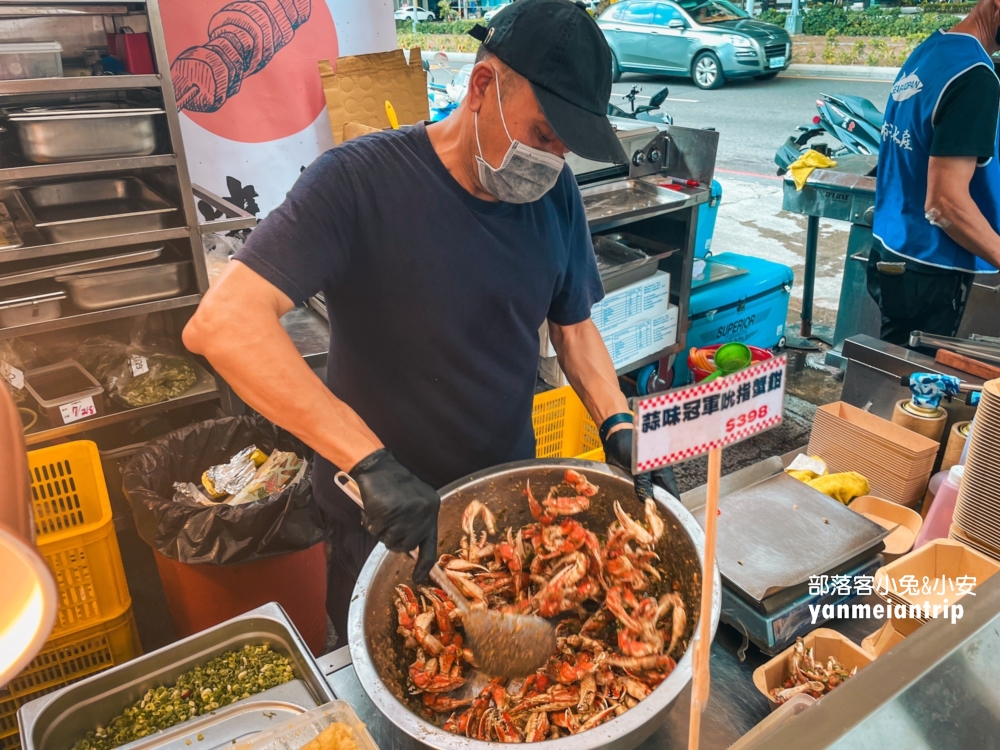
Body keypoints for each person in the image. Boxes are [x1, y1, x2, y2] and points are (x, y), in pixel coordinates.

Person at [183, 0, 678, 643]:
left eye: (566, 146)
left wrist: (617, 422)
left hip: (503, 511)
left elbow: (574, 324)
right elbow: (224, 325)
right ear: (482, 87)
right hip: (384, 521)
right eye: (542, 133)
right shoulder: (358, 181)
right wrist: (369, 464)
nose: (553, 159)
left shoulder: (555, 196)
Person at [869, 0, 1000, 347]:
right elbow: (944, 203)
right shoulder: (976, 77)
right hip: (930, 267)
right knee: (916, 389)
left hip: (892, 249)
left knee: (894, 368)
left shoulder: (932, 49)